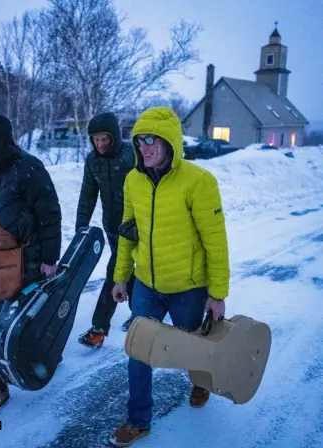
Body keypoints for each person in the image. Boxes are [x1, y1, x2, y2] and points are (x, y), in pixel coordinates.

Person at [109, 106, 230, 447]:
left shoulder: (199, 181)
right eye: (139, 140)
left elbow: (215, 242)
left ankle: (200, 383)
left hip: (188, 288)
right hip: (146, 284)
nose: (144, 147)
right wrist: (120, 278)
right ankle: (138, 420)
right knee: (138, 350)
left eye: (152, 140)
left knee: (195, 346)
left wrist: (217, 293)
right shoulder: (133, 180)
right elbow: (127, 232)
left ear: (170, 142)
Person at [0, 113, 62, 416]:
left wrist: (49, 260)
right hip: (2, 258)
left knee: (9, 321)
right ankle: (26, 364)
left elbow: (51, 215)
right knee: (4, 317)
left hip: (29, 260)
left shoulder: (28, 168)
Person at [75, 112, 136, 349]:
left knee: (117, 271)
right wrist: (82, 227)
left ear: (115, 137)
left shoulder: (132, 154)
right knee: (126, 271)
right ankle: (139, 316)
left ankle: (99, 328)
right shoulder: (93, 161)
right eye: (96, 140)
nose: (100, 144)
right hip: (112, 227)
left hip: (136, 227)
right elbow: (87, 196)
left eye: (105, 139)